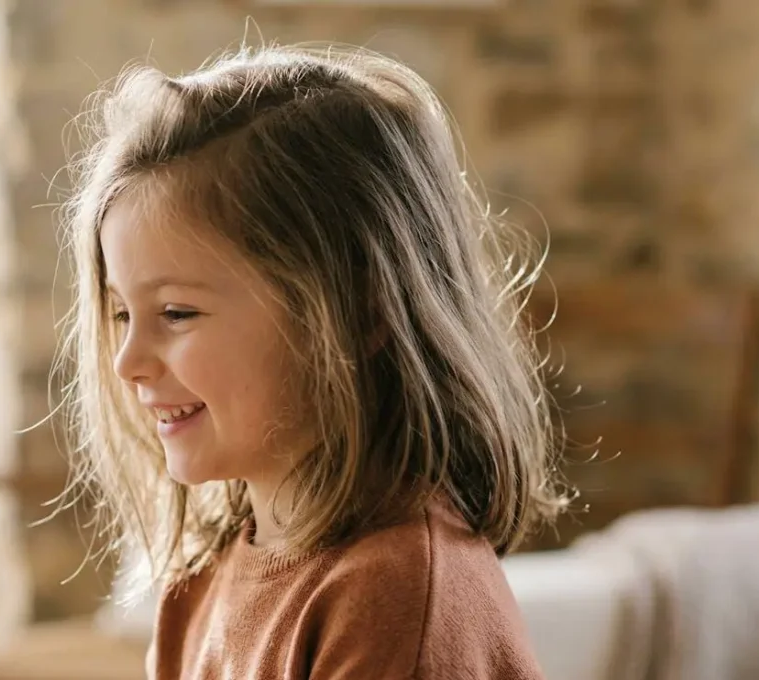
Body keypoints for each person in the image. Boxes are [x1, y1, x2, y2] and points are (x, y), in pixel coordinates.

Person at [57, 43, 570, 679]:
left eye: (177, 314)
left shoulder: (396, 603)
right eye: (121, 315)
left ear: (361, 313)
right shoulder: (200, 578)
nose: (128, 362)